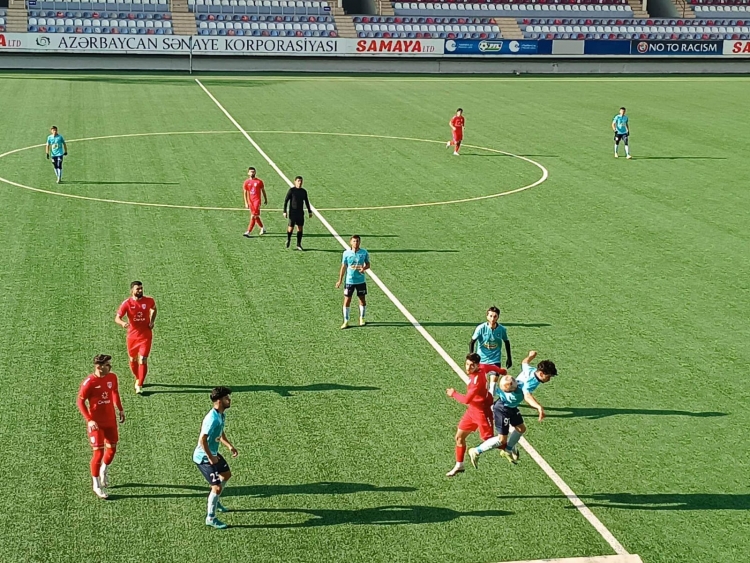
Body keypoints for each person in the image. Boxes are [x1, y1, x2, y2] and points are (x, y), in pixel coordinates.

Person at [468, 351, 557, 467]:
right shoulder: (531, 382)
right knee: (501, 439)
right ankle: (476, 451)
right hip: (502, 407)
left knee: (521, 428)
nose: (549, 379)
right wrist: (539, 407)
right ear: (541, 373)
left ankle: (508, 450)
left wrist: (530, 356)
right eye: (548, 376)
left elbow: (524, 362)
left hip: (511, 406)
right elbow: (527, 396)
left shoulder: (530, 370)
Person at [77, 354, 125, 499]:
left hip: (110, 421)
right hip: (96, 424)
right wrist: (89, 420)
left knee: (112, 450)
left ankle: (104, 469)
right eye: (108, 365)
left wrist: (120, 409)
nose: (110, 367)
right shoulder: (89, 383)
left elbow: (115, 392)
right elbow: (80, 402)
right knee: (98, 453)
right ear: (99, 367)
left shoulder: (112, 377)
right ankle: (96, 485)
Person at [193, 387, 239, 529]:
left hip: (212, 453)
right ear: (219, 401)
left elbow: (220, 432)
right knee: (217, 487)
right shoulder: (212, 419)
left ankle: (215, 499)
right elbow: (202, 440)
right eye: (226, 398)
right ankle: (211, 518)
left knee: (226, 474)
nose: (229, 400)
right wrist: (211, 457)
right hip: (203, 457)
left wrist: (229, 445)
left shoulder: (220, 415)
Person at [445, 353, 495, 477]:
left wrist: (454, 394)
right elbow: (490, 367)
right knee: (459, 437)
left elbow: (466, 399)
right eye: (467, 364)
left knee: (490, 441)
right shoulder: (482, 368)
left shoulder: (475, 383)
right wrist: (501, 370)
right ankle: (459, 465)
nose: (468, 368)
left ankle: (509, 447)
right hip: (472, 411)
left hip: (482, 412)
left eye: (471, 366)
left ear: (477, 366)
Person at [115, 281, 157, 395]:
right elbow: (117, 318)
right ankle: (138, 377)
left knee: (143, 359)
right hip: (132, 337)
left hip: (145, 335)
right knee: (132, 359)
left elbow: (154, 308)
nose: (140, 291)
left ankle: (139, 385)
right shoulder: (127, 303)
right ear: (132, 290)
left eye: (141, 288)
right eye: (138, 289)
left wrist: (152, 321)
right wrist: (122, 323)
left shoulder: (149, 300)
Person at [470, 306, 512, 395]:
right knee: (481, 383)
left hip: (495, 359)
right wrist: (472, 357)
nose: (492, 318)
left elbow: (506, 342)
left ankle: (490, 404)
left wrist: (509, 358)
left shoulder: (502, 329)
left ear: (498, 317)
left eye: (495, 316)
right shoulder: (481, 328)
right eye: (490, 316)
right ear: (487, 316)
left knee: (492, 385)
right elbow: (472, 342)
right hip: (482, 359)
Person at [335, 235, 370, 329]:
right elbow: (343, 267)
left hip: (361, 281)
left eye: (357, 241)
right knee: (347, 300)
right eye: (354, 241)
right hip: (349, 281)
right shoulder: (346, 253)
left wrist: (364, 268)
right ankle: (346, 320)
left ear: (360, 242)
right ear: (351, 242)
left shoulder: (364, 252)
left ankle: (362, 318)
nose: (356, 243)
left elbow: (368, 264)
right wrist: (340, 280)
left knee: (362, 299)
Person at [283, 176, 312, 250]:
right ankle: (288, 239)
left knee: (300, 228)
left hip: (300, 213)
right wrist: (284, 211)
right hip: (292, 213)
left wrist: (309, 211)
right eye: (298, 181)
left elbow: (307, 202)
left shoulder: (303, 191)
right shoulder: (291, 191)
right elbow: (286, 201)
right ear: (295, 182)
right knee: (290, 228)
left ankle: (298, 244)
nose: (300, 182)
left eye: (301, 181)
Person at [243, 166, 268, 238]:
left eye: (253, 172)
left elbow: (263, 191)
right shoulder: (246, 182)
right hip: (251, 202)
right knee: (256, 216)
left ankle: (248, 231)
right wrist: (246, 202)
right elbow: (245, 192)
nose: (252, 173)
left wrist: (265, 199)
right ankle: (262, 228)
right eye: (251, 172)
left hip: (257, 201)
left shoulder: (259, 182)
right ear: (248, 173)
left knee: (253, 216)